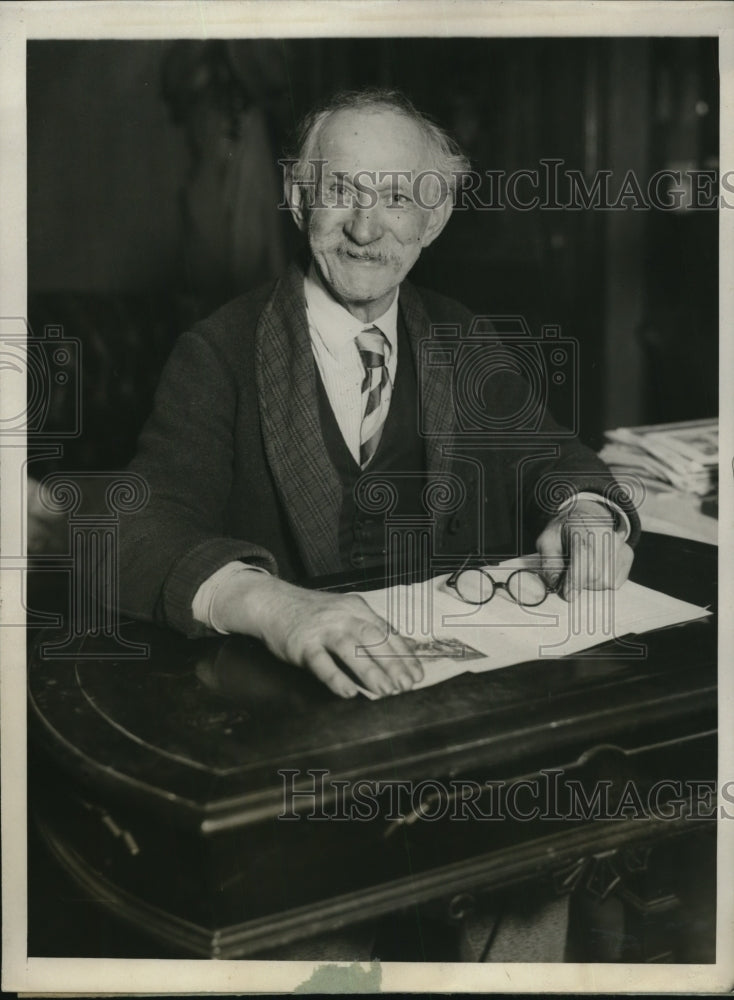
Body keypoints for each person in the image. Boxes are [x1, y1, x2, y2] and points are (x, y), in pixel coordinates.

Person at [116, 86, 639, 962]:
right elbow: (137, 531)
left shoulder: (462, 341)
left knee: (539, 865)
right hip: (293, 770)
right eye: (341, 191)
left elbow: (559, 457)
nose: (367, 226)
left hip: (461, 740)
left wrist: (584, 513)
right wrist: (280, 608)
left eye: (398, 196)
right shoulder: (219, 351)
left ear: (434, 220)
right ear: (296, 199)